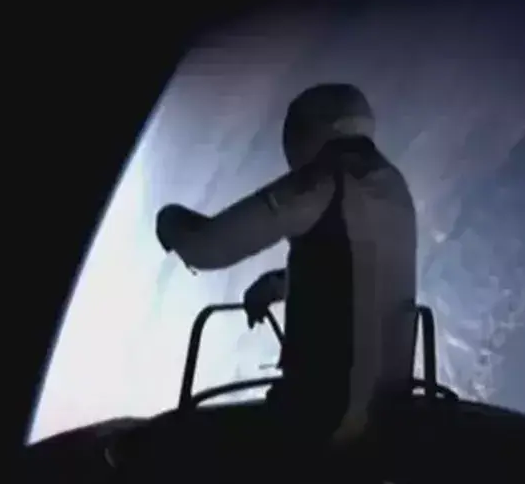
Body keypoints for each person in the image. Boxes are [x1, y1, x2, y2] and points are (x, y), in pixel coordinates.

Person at [156, 83, 418, 450]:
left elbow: (207, 248)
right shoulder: (392, 185)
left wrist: (169, 222)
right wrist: (277, 285)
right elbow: (359, 269)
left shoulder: (325, 181)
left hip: (327, 417)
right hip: (389, 412)